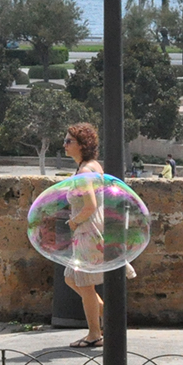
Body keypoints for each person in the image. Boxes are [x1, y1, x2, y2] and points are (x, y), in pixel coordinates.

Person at [60, 123, 108, 349]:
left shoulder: (85, 172)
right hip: (90, 231)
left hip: (87, 231)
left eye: (69, 141)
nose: (64, 144)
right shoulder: (90, 167)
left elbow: (89, 205)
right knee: (71, 278)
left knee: (86, 285)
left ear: (82, 145)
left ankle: (94, 334)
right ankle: (110, 317)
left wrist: (73, 221)